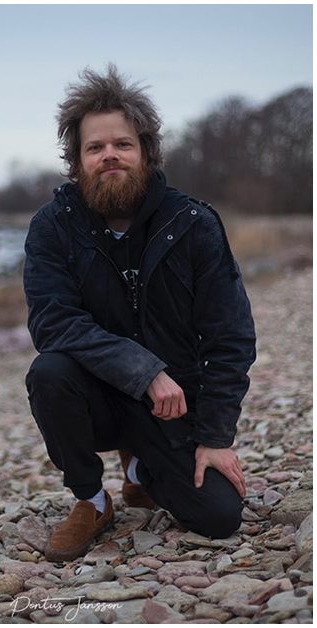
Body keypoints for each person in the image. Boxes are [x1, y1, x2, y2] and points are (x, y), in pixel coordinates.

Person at [23, 64, 256, 562]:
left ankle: (139, 471)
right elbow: (51, 322)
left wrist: (215, 437)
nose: (110, 155)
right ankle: (91, 498)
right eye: (95, 147)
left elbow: (231, 337)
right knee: (49, 372)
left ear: (146, 152)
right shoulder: (52, 227)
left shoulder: (192, 222)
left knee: (219, 518)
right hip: (98, 396)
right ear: (77, 160)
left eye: (122, 145)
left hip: (173, 407)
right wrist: (142, 370)